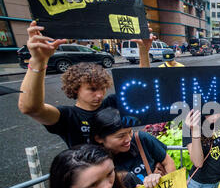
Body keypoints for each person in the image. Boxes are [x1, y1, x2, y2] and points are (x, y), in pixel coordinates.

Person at [18, 21, 156, 147]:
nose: (100, 94)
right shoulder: (67, 116)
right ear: (75, 89)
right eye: (92, 89)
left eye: (102, 88)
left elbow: (141, 89)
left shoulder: (111, 103)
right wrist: (38, 61)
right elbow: (31, 108)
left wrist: (144, 51)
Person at [90, 107, 176, 188]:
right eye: (121, 136)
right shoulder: (95, 163)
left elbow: (168, 162)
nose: (129, 139)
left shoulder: (141, 139)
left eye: (130, 131)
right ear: (99, 139)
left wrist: (170, 185)